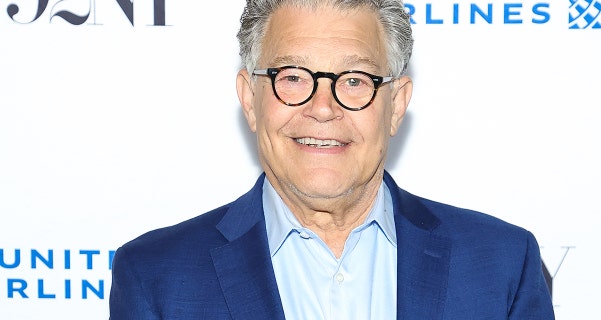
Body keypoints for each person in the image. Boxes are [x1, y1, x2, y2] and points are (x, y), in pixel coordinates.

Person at [109, 0, 555, 319]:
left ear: (396, 105)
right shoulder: (157, 278)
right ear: (250, 99)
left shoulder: (502, 265)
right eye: (293, 77)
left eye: (355, 80)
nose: (323, 107)